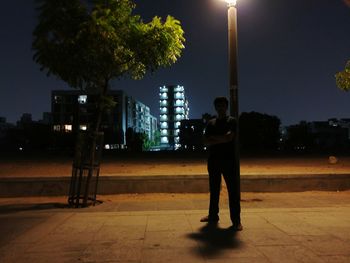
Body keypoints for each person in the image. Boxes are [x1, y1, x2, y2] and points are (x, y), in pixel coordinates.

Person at [200, 97, 242, 231]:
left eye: (222, 105)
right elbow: (205, 141)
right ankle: (213, 215)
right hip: (213, 161)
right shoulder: (211, 123)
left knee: (233, 191)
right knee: (214, 190)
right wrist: (222, 139)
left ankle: (236, 221)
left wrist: (214, 139)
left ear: (226, 106)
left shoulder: (232, 121)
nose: (220, 108)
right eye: (218, 105)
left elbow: (230, 137)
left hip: (229, 161)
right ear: (215, 107)